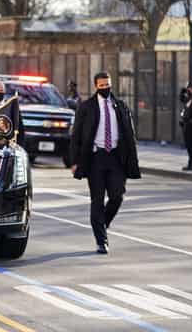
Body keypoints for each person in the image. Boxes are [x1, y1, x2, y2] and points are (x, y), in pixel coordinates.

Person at [69, 71, 141, 254]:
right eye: (101, 86)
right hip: (95, 159)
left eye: (107, 85)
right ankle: (101, 240)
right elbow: (76, 135)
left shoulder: (120, 106)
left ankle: (102, 224)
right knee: (97, 199)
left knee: (117, 196)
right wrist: (74, 161)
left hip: (116, 157)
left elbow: (130, 135)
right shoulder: (86, 108)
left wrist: (132, 159)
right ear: (96, 87)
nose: (105, 88)